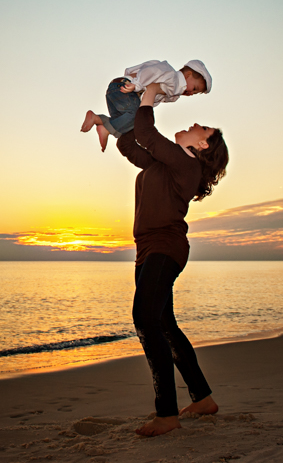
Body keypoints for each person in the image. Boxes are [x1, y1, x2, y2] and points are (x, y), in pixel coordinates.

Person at [116, 81, 229, 437]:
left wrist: (149, 94)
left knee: (145, 319)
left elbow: (147, 132)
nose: (196, 125)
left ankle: (166, 413)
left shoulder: (187, 166)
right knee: (165, 326)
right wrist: (115, 121)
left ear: (202, 145)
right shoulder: (169, 163)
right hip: (148, 249)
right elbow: (133, 147)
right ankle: (202, 398)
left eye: (203, 128)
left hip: (165, 248)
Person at [81, 59, 212, 152]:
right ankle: (103, 125)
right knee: (136, 118)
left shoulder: (173, 91)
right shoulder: (170, 75)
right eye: (194, 88)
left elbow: (150, 94)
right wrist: (137, 84)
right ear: (188, 75)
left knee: (127, 128)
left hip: (119, 92)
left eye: (195, 93)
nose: (191, 93)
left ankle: (102, 123)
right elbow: (150, 71)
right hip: (125, 89)